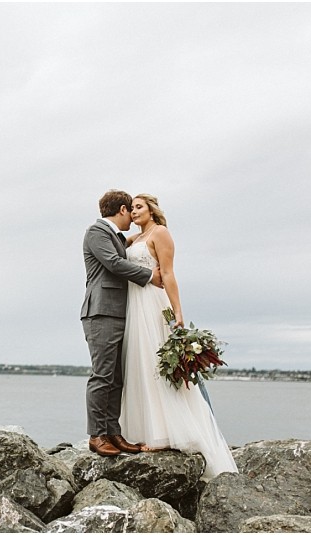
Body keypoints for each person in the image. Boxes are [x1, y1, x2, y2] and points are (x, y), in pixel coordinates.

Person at [119, 193, 238, 479]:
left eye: (139, 207)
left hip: (153, 304)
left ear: (151, 210)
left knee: (157, 363)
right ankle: (138, 430)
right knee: (138, 363)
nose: (133, 212)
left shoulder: (160, 233)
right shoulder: (133, 240)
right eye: (131, 208)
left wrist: (178, 313)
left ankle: (164, 434)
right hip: (133, 307)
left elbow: (169, 274)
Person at [81, 190, 162, 456]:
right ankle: (96, 435)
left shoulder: (115, 236)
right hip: (101, 312)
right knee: (102, 375)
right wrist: (150, 275)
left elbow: (125, 249)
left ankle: (113, 432)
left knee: (117, 378)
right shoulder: (96, 232)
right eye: (132, 211)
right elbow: (114, 264)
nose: (133, 217)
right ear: (123, 209)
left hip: (118, 312)